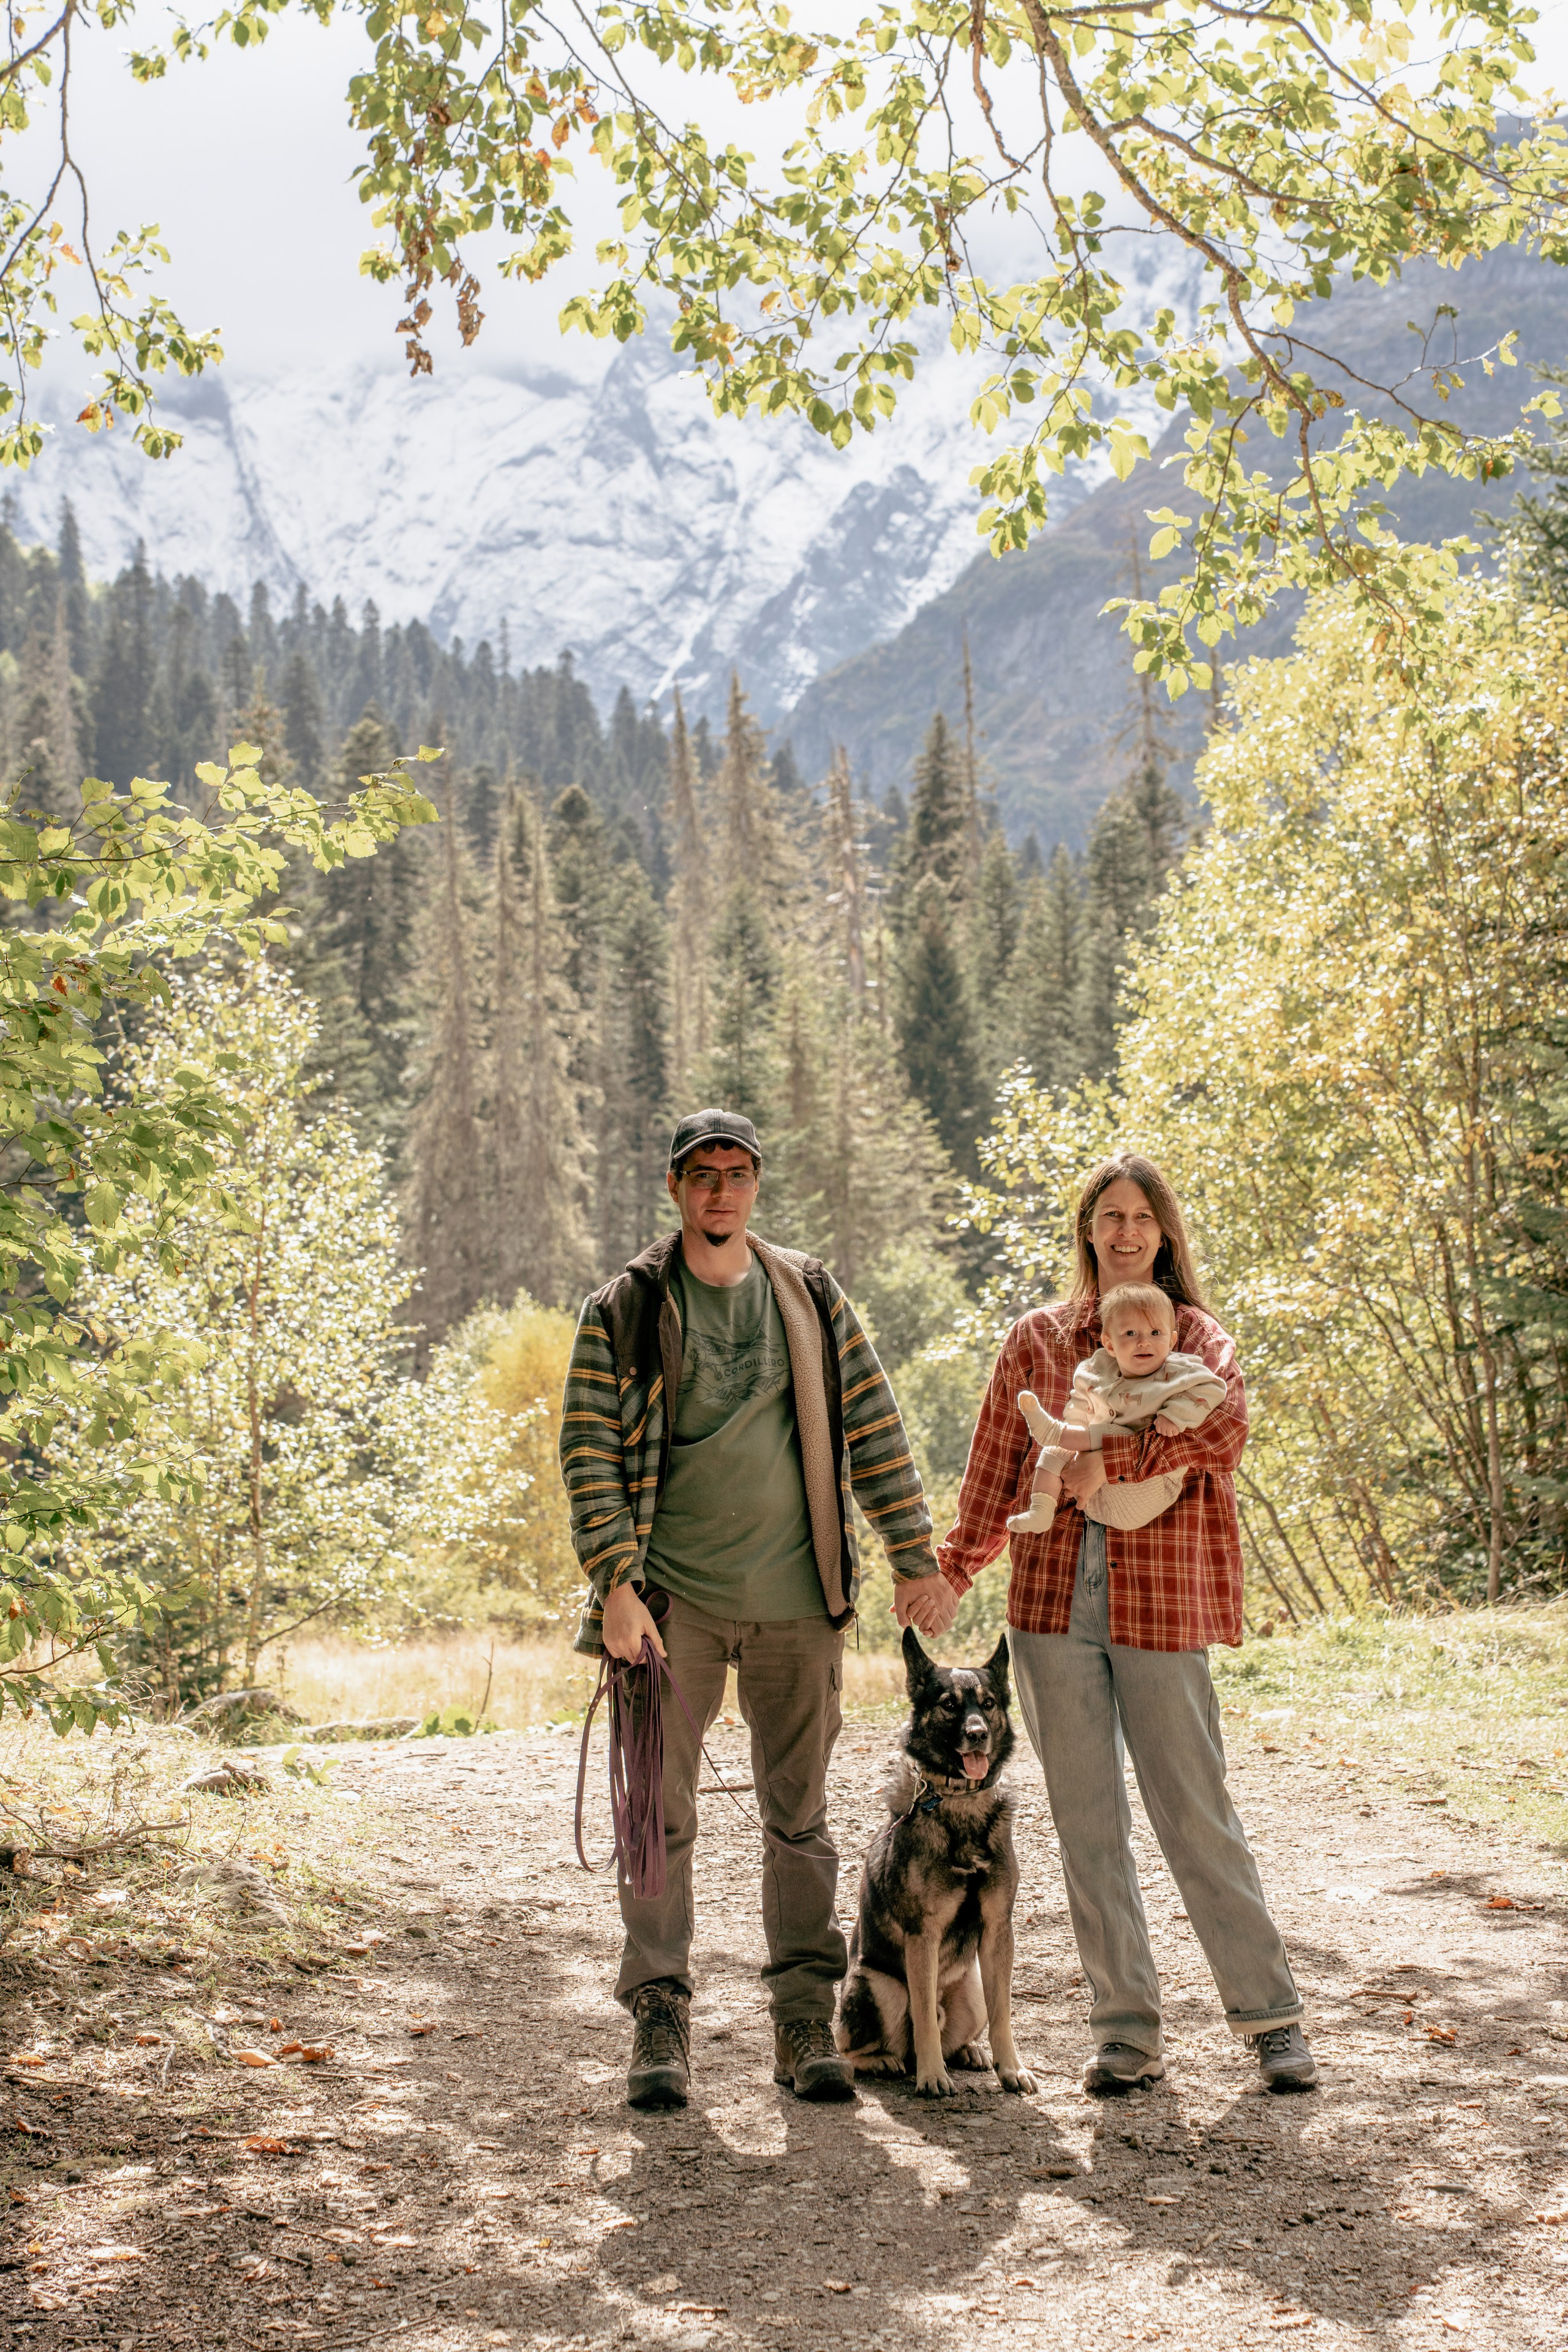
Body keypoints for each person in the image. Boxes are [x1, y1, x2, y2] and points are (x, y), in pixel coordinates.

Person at [560, 1107, 954, 2111]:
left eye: (737, 1173)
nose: (720, 1191)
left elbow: (873, 1424)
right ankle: (659, 2020)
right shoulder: (627, 1307)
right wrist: (613, 1583)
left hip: (797, 1598)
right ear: (675, 1187)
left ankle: (803, 2019)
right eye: (703, 1174)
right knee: (656, 1817)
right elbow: (590, 1455)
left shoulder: (810, 1296)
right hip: (668, 1604)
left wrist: (914, 1554)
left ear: (756, 1188)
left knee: (801, 1822)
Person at [916, 1153, 1319, 2095]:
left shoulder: (1196, 1335)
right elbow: (990, 1468)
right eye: (1110, 1217)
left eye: (1142, 1216)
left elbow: (1225, 1433)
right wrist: (950, 1570)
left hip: (1162, 1602)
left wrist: (1117, 1460)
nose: (1126, 1231)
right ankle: (1126, 2032)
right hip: (1052, 1607)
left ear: (1165, 1232)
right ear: (1088, 1232)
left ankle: (1271, 2021)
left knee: (1195, 1812)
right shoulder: (1039, 1340)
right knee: (1087, 1823)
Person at [1005, 1281, 1226, 1536]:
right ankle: (1041, 1510)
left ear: (1171, 1340)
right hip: (1094, 1498)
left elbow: (1213, 1389)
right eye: (1130, 1334)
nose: (1144, 1342)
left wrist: (1176, 1414)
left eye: (1156, 1333)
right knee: (1057, 1449)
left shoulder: (1180, 1371)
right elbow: (1080, 1405)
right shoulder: (1098, 1370)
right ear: (1110, 1345)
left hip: (1148, 1489)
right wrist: (1074, 1433)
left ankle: (1053, 1431)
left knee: (1114, 1434)